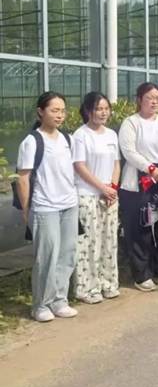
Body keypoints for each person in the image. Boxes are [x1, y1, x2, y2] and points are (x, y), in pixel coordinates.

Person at [16, 92, 79, 322]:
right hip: (45, 207)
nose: (60, 115)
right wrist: (26, 210)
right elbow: (23, 178)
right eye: (54, 110)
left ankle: (59, 300)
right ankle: (40, 304)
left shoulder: (68, 139)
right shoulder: (32, 141)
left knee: (67, 254)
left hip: (69, 205)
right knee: (47, 257)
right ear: (40, 112)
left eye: (62, 110)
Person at [119, 82, 158, 292]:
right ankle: (142, 273)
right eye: (150, 98)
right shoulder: (131, 123)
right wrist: (151, 169)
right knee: (139, 227)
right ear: (139, 100)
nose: (154, 102)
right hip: (140, 179)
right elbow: (129, 151)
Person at [72, 92, 121, 304]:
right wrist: (102, 188)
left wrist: (112, 188)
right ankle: (87, 288)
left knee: (109, 241)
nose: (103, 113)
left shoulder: (111, 135)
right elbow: (79, 166)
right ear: (88, 111)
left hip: (109, 196)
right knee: (89, 243)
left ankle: (108, 283)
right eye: (98, 109)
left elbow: (116, 164)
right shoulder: (80, 135)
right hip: (88, 195)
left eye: (106, 108)